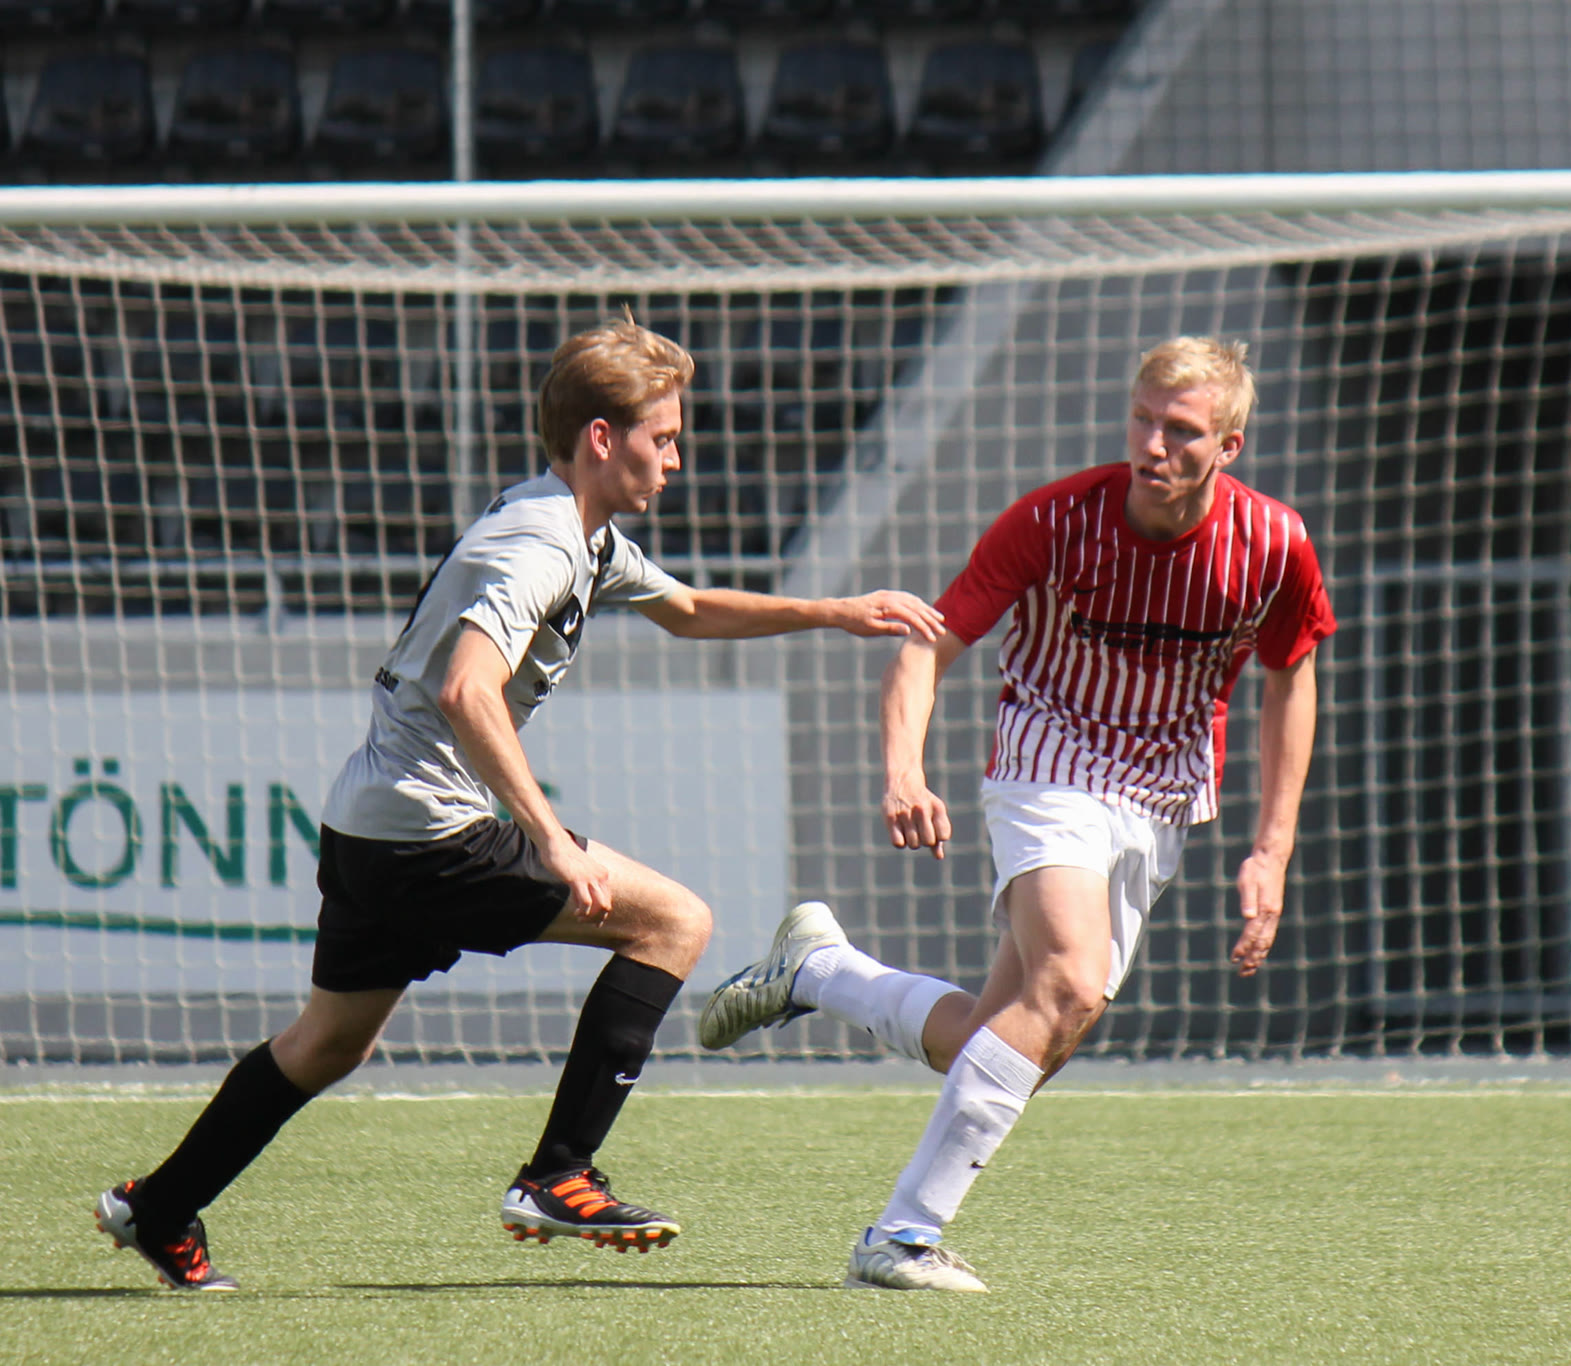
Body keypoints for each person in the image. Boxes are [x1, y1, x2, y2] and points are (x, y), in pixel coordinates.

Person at [92, 314, 944, 1291]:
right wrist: (552, 839)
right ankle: (558, 1174)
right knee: (675, 922)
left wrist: (834, 612)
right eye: (663, 437)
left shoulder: (581, 533)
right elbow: (467, 689)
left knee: (325, 1044)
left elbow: (686, 610)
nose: (676, 458)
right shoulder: (539, 544)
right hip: (432, 833)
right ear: (601, 438)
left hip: (368, 826)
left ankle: (159, 1206)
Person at [698, 335, 1335, 1292]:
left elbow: (1291, 679)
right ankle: (900, 1239)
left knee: (998, 1041)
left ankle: (821, 973)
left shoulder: (1274, 546)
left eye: (1181, 430)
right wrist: (903, 772)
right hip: (1049, 762)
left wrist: (1271, 849)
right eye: (1142, 420)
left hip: (1160, 796)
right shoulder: (1054, 519)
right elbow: (927, 645)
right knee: (1069, 983)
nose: (1153, 444)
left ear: (1229, 447)